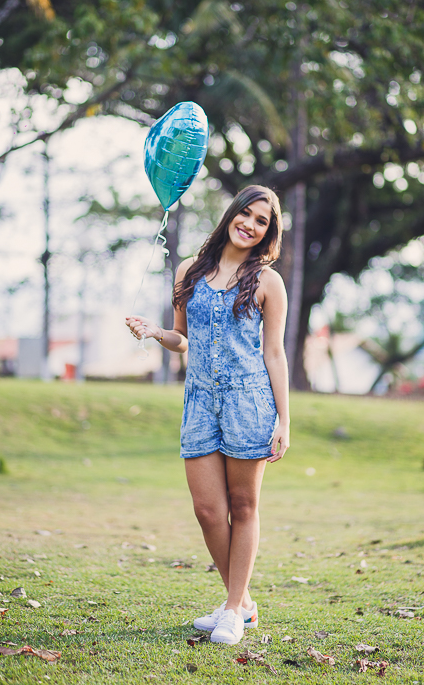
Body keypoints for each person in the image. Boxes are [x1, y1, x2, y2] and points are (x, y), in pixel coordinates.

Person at [125, 185, 290, 646]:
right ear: (232, 213)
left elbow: (274, 353)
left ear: (266, 233)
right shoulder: (189, 270)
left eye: (262, 221)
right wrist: (156, 332)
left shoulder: (267, 282)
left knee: (243, 506)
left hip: (249, 402)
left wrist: (284, 420)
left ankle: (234, 610)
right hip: (199, 401)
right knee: (208, 510)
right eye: (247, 214)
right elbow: (182, 338)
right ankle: (242, 603)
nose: (250, 224)